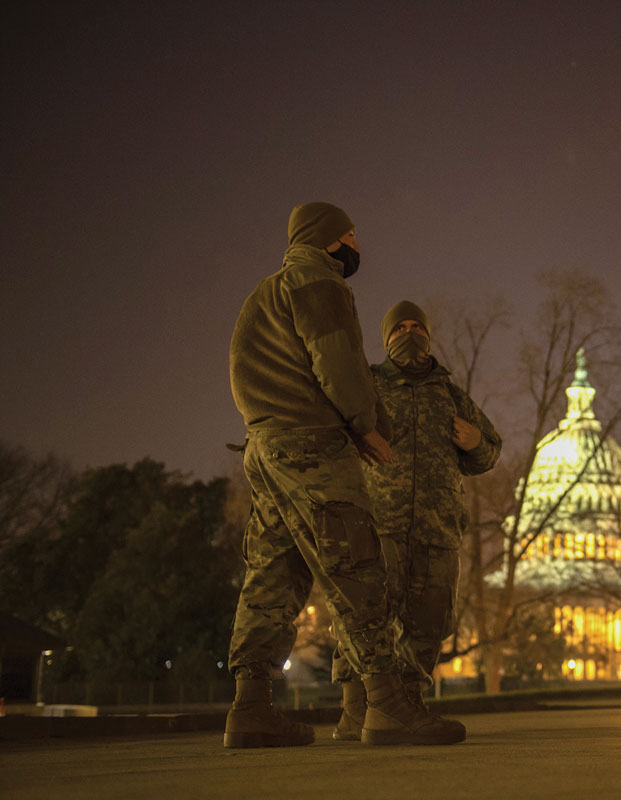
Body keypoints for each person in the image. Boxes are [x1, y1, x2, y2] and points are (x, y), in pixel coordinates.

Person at [226, 201, 463, 748]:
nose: (356, 245)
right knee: (357, 569)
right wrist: (366, 423)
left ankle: (250, 707)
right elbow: (338, 360)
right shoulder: (320, 284)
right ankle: (386, 705)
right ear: (330, 239)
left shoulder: (263, 293)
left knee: (272, 577)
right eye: (351, 235)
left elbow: (242, 367)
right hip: (312, 446)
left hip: (264, 446)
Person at [331, 300, 501, 742]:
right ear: (386, 339)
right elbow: (332, 440)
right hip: (378, 523)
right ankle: (356, 710)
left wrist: (476, 441)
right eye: (400, 328)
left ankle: (408, 706)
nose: (410, 334)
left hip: (437, 527)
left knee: (430, 622)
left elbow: (490, 451)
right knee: (366, 616)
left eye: (417, 327)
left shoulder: (449, 393)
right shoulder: (366, 386)